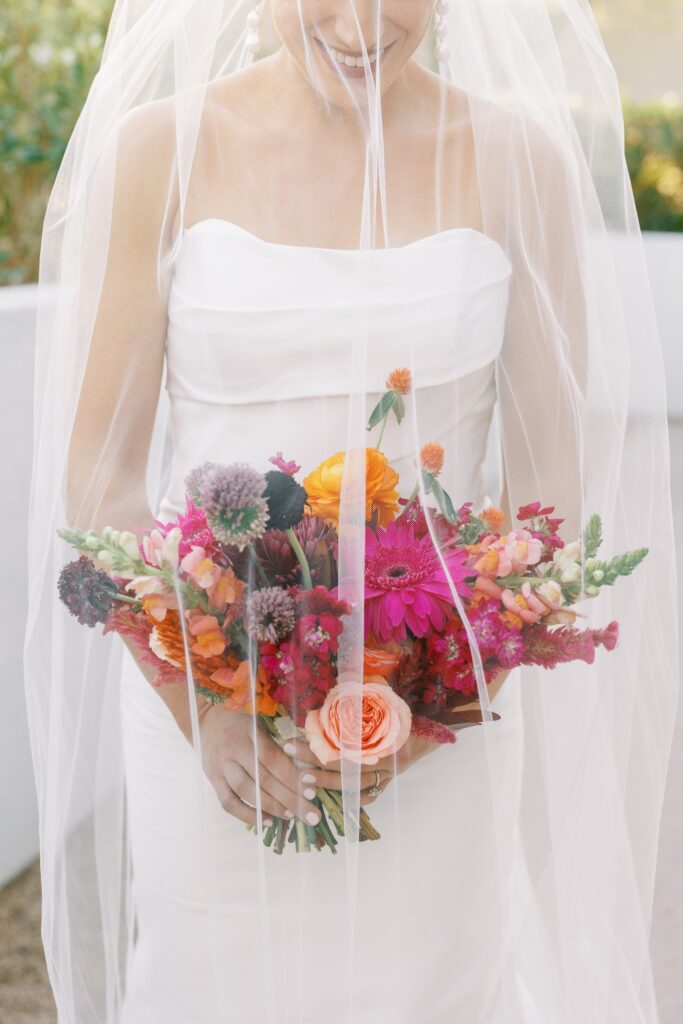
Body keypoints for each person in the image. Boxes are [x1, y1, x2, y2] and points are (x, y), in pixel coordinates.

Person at [24, 1, 678, 1022]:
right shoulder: (156, 154)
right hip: (207, 721)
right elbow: (99, 478)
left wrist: (424, 707)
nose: (360, 20)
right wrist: (202, 705)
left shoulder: (521, 162)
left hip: (438, 721)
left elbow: (547, 487)